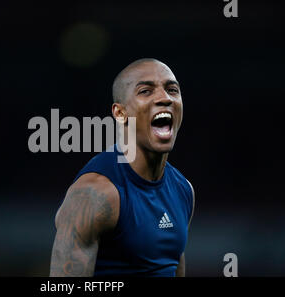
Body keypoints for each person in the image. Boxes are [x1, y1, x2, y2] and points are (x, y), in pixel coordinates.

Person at [49, 58, 195, 277]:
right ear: (120, 113)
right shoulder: (94, 195)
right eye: (146, 91)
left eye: (172, 90)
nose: (164, 98)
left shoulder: (183, 190)